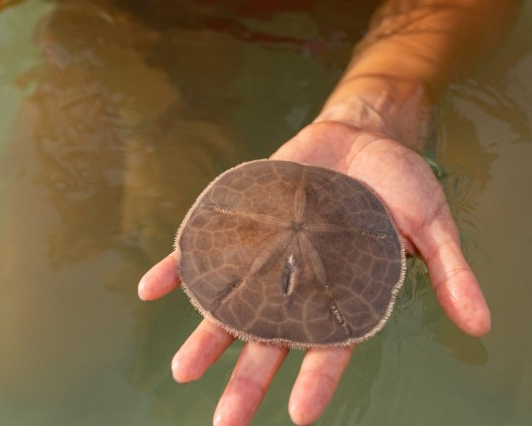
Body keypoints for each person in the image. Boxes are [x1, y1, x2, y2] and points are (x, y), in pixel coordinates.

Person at [138, 0, 522, 424]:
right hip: (159, 39)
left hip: (391, 29)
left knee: (500, 378)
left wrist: (381, 100)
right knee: (64, 369)